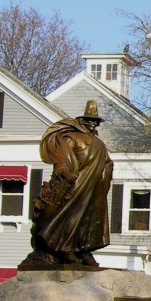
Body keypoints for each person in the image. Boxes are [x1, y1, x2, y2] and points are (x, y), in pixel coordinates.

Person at [22, 100, 113, 267]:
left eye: (95, 121)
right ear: (82, 121)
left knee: (91, 219)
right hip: (77, 185)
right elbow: (63, 160)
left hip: (94, 188)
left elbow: (108, 164)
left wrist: (103, 185)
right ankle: (65, 247)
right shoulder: (71, 138)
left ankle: (84, 249)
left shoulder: (101, 145)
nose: (93, 124)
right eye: (90, 120)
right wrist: (65, 175)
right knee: (71, 216)